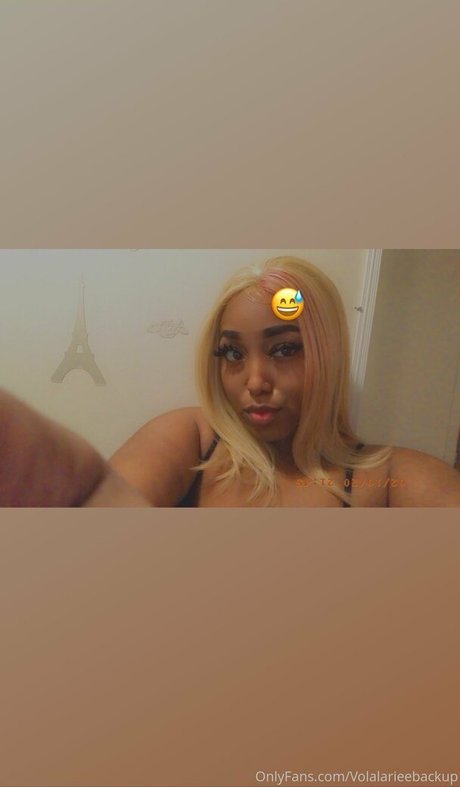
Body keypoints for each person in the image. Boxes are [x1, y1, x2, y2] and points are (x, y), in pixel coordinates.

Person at [1, 256, 459, 507]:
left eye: (284, 349)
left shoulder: (392, 479)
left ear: (328, 353)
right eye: (233, 354)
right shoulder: (194, 440)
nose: (255, 381)